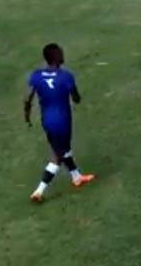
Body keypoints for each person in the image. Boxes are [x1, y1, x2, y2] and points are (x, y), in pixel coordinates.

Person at [24, 43, 95, 203]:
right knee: (58, 156)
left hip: (47, 120)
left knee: (63, 148)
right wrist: (73, 93)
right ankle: (39, 191)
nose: (63, 55)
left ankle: (76, 176)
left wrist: (27, 117)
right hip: (62, 121)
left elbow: (27, 98)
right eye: (60, 53)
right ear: (55, 57)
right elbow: (76, 98)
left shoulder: (36, 75)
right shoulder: (66, 76)